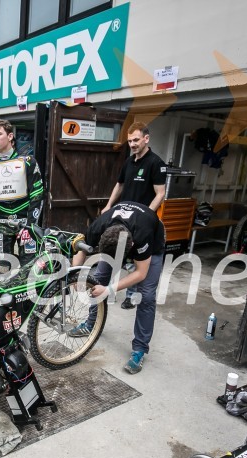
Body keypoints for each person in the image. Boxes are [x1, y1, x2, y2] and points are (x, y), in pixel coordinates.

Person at [68, 201, 165, 374]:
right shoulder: (99, 226)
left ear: (132, 246)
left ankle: (140, 349)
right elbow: (80, 252)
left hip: (153, 243)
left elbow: (140, 273)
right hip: (119, 235)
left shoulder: (143, 236)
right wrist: (76, 276)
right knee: (98, 278)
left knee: (146, 296)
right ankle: (91, 324)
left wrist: (109, 290)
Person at [102, 122, 167, 310]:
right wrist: (108, 206)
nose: (132, 144)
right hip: (124, 219)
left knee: (138, 258)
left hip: (142, 223)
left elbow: (160, 193)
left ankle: (131, 295)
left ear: (146, 138)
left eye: (136, 140)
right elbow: (119, 185)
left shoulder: (156, 163)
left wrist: (146, 215)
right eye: (130, 141)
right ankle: (107, 290)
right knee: (121, 253)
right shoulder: (129, 162)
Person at [0, 119, 44, 270]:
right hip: (1, 224)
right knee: (1, 270)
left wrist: (31, 226)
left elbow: (37, 196)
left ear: (10, 136)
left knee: (30, 270)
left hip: (26, 222)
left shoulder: (28, 162)